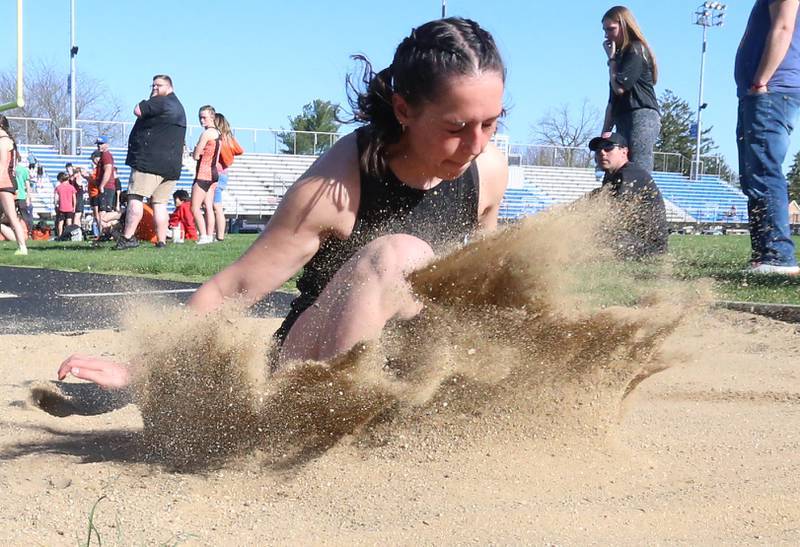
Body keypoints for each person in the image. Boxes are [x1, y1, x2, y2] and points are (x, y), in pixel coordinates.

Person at [57, 17, 508, 390]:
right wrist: (144, 370)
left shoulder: (488, 171)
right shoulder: (338, 184)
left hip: (404, 360)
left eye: (490, 123)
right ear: (404, 110)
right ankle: (329, 420)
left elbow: (474, 290)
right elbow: (237, 287)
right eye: (456, 127)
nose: (475, 144)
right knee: (402, 255)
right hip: (309, 364)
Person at [735, 0, 800, 275]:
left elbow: (784, 27)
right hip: (764, 92)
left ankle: (777, 257)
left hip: (769, 90)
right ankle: (764, 255)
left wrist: (760, 81)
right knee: (753, 175)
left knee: (763, 171)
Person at [116, 74, 187, 250]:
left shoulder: (161, 101)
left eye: (159, 85)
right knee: (160, 203)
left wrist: (149, 99)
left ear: (170, 87)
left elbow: (138, 110)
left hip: (149, 162)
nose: (155, 88)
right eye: (153, 85)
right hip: (171, 166)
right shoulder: (178, 106)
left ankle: (127, 238)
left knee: (135, 197)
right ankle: (161, 241)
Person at [586, 133, 668, 259]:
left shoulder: (630, 174)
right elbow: (596, 198)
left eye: (608, 147)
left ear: (624, 152)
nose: (602, 153)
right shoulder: (612, 176)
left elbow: (612, 211)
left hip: (648, 248)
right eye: (598, 150)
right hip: (632, 240)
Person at [600, 5, 661, 172]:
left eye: (611, 29)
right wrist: (604, 135)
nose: (607, 36)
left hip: (641, 115)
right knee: (620, 169)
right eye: (604, 30)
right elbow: (612, 101)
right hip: (623, 117)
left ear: (624, 26)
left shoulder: (635, 49)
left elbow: (620, 88)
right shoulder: (620, 59)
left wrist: (611, 60)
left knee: (637, 169)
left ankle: (642, 198)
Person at [191, 105, 221, 245]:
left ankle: (203, 236)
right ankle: (209, 236)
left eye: (204, 117)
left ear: (212, 117)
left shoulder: (207, 133)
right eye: (200, 117)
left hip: (204, 172)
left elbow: (197, 155)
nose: (201, 120)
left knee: (195, 207)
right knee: (208, 206)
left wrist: (196, 152)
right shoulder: (218, 133)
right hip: (213, 172)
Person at [213, 112, 243, 242]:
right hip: (224, 174)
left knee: (216, 206)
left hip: (217, 174)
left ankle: (219, 235)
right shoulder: (229, 138)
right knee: (215, 206)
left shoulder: (218, 138)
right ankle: (217, 234)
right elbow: (239, 150)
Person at [0, 115, 28, 255]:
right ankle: (22, 246)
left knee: (11, 216)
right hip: (6, 181)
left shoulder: (4, 142)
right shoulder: (7, 141)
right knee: (10, 216)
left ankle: (22, 247)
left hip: (3, 183)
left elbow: (2, 165)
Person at [94, 137, 117, 217]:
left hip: (107, 187)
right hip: (106, 187)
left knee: (103, 214)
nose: (99, 146)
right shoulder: (103, 155)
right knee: (103, 213)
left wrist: (102, 185)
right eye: (98, 144)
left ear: (107, 144)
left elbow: (108, 170)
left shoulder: (106, 155)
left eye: (101, 144)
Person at [53, 172, 77, 239]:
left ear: (60, 179)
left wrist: (55, 205)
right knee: (68, 223)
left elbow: (55, 198)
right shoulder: (71, 187)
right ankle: (68, 236)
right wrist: (74, 207)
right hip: (69, 208)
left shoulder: (58, 187)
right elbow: (74, 198)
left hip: (61, 208)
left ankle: (60, 236)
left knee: (60, 222)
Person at [14, 152, 32, 233]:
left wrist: (28, 197)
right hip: (11, 196)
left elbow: (27, 185)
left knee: (25, 215)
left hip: (21, 196)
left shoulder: (23, 170)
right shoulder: (7, 169)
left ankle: (29, 231)